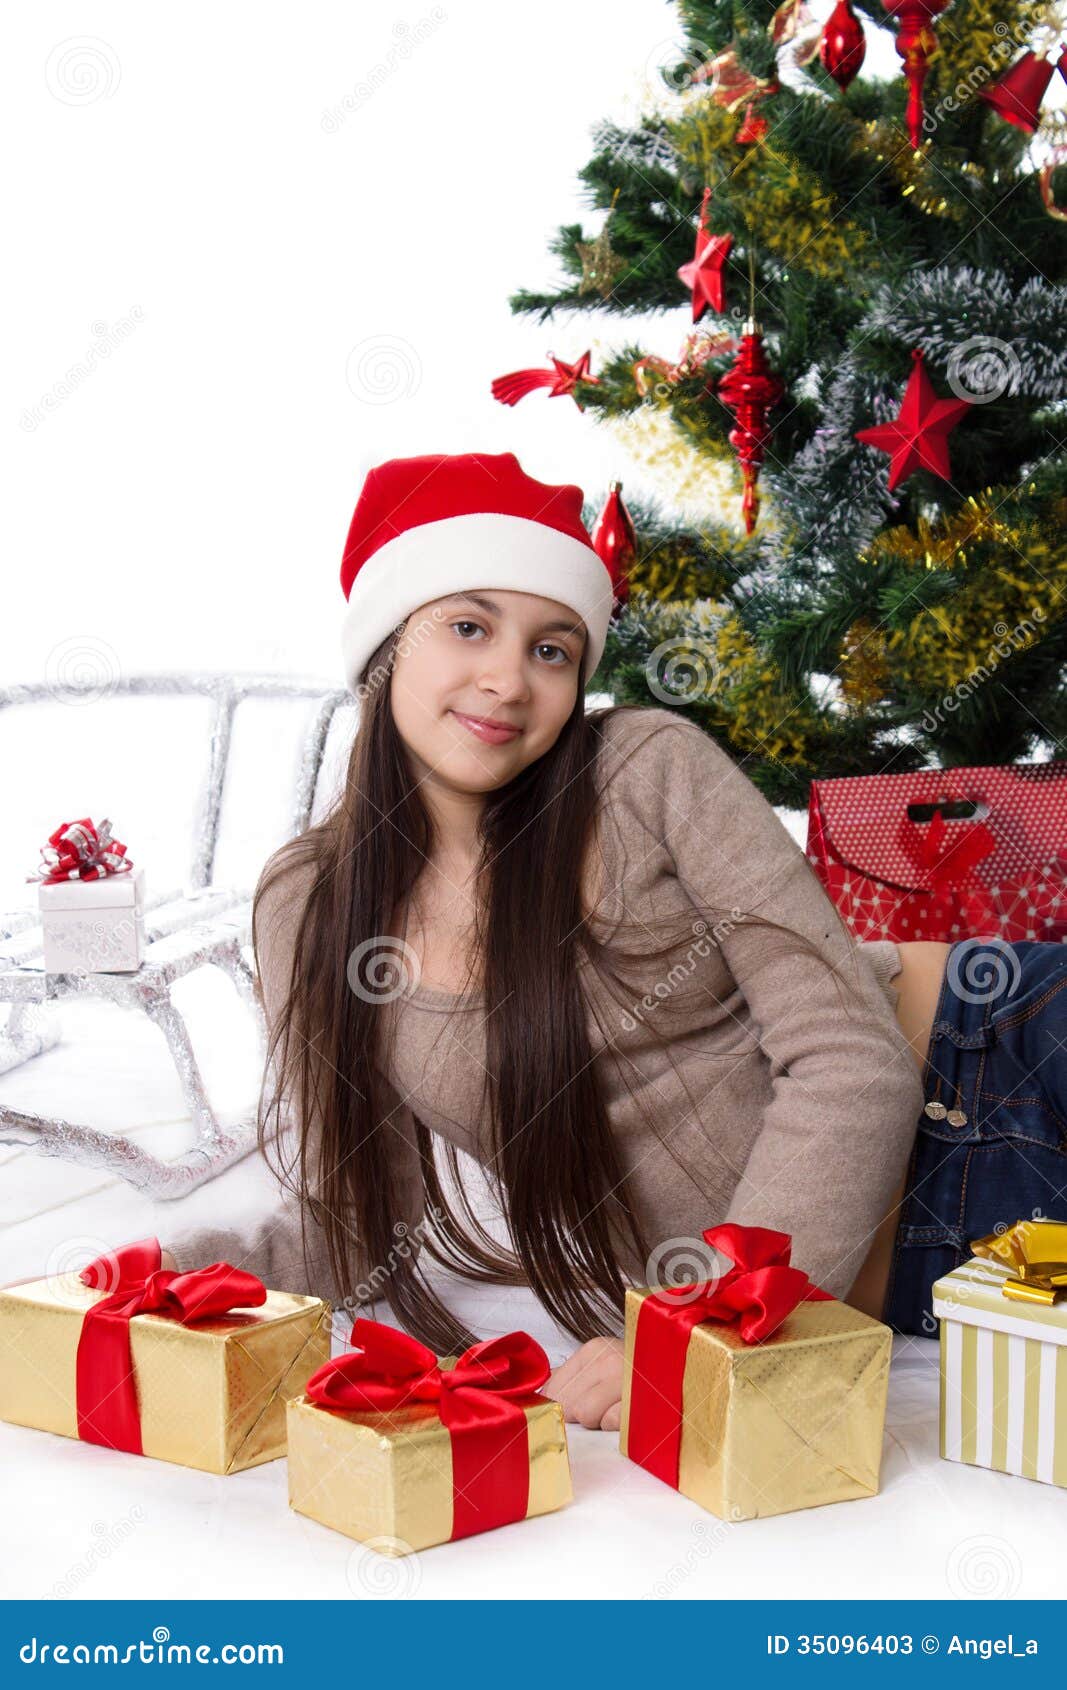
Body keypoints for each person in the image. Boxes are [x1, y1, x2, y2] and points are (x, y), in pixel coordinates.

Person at [160, 450, 1067, 1433]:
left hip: (994, 1047)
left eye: (551, 649)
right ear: (383, 648)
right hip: (922, 1266)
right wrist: (177, 1273)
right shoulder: (310, 900)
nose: (508, 679)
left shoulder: (644, 770)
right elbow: (362, 1211)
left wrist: (704, 1327)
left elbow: (852, 1058)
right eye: (468, 625)